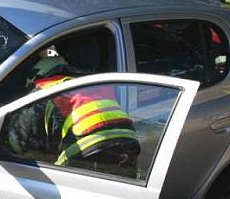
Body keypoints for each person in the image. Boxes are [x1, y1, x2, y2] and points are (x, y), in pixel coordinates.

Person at [7, 50, 139, 170]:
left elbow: (18, 144)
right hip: (128, 138)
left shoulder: (43, 92)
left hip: (88, 145)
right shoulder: (90, 84)